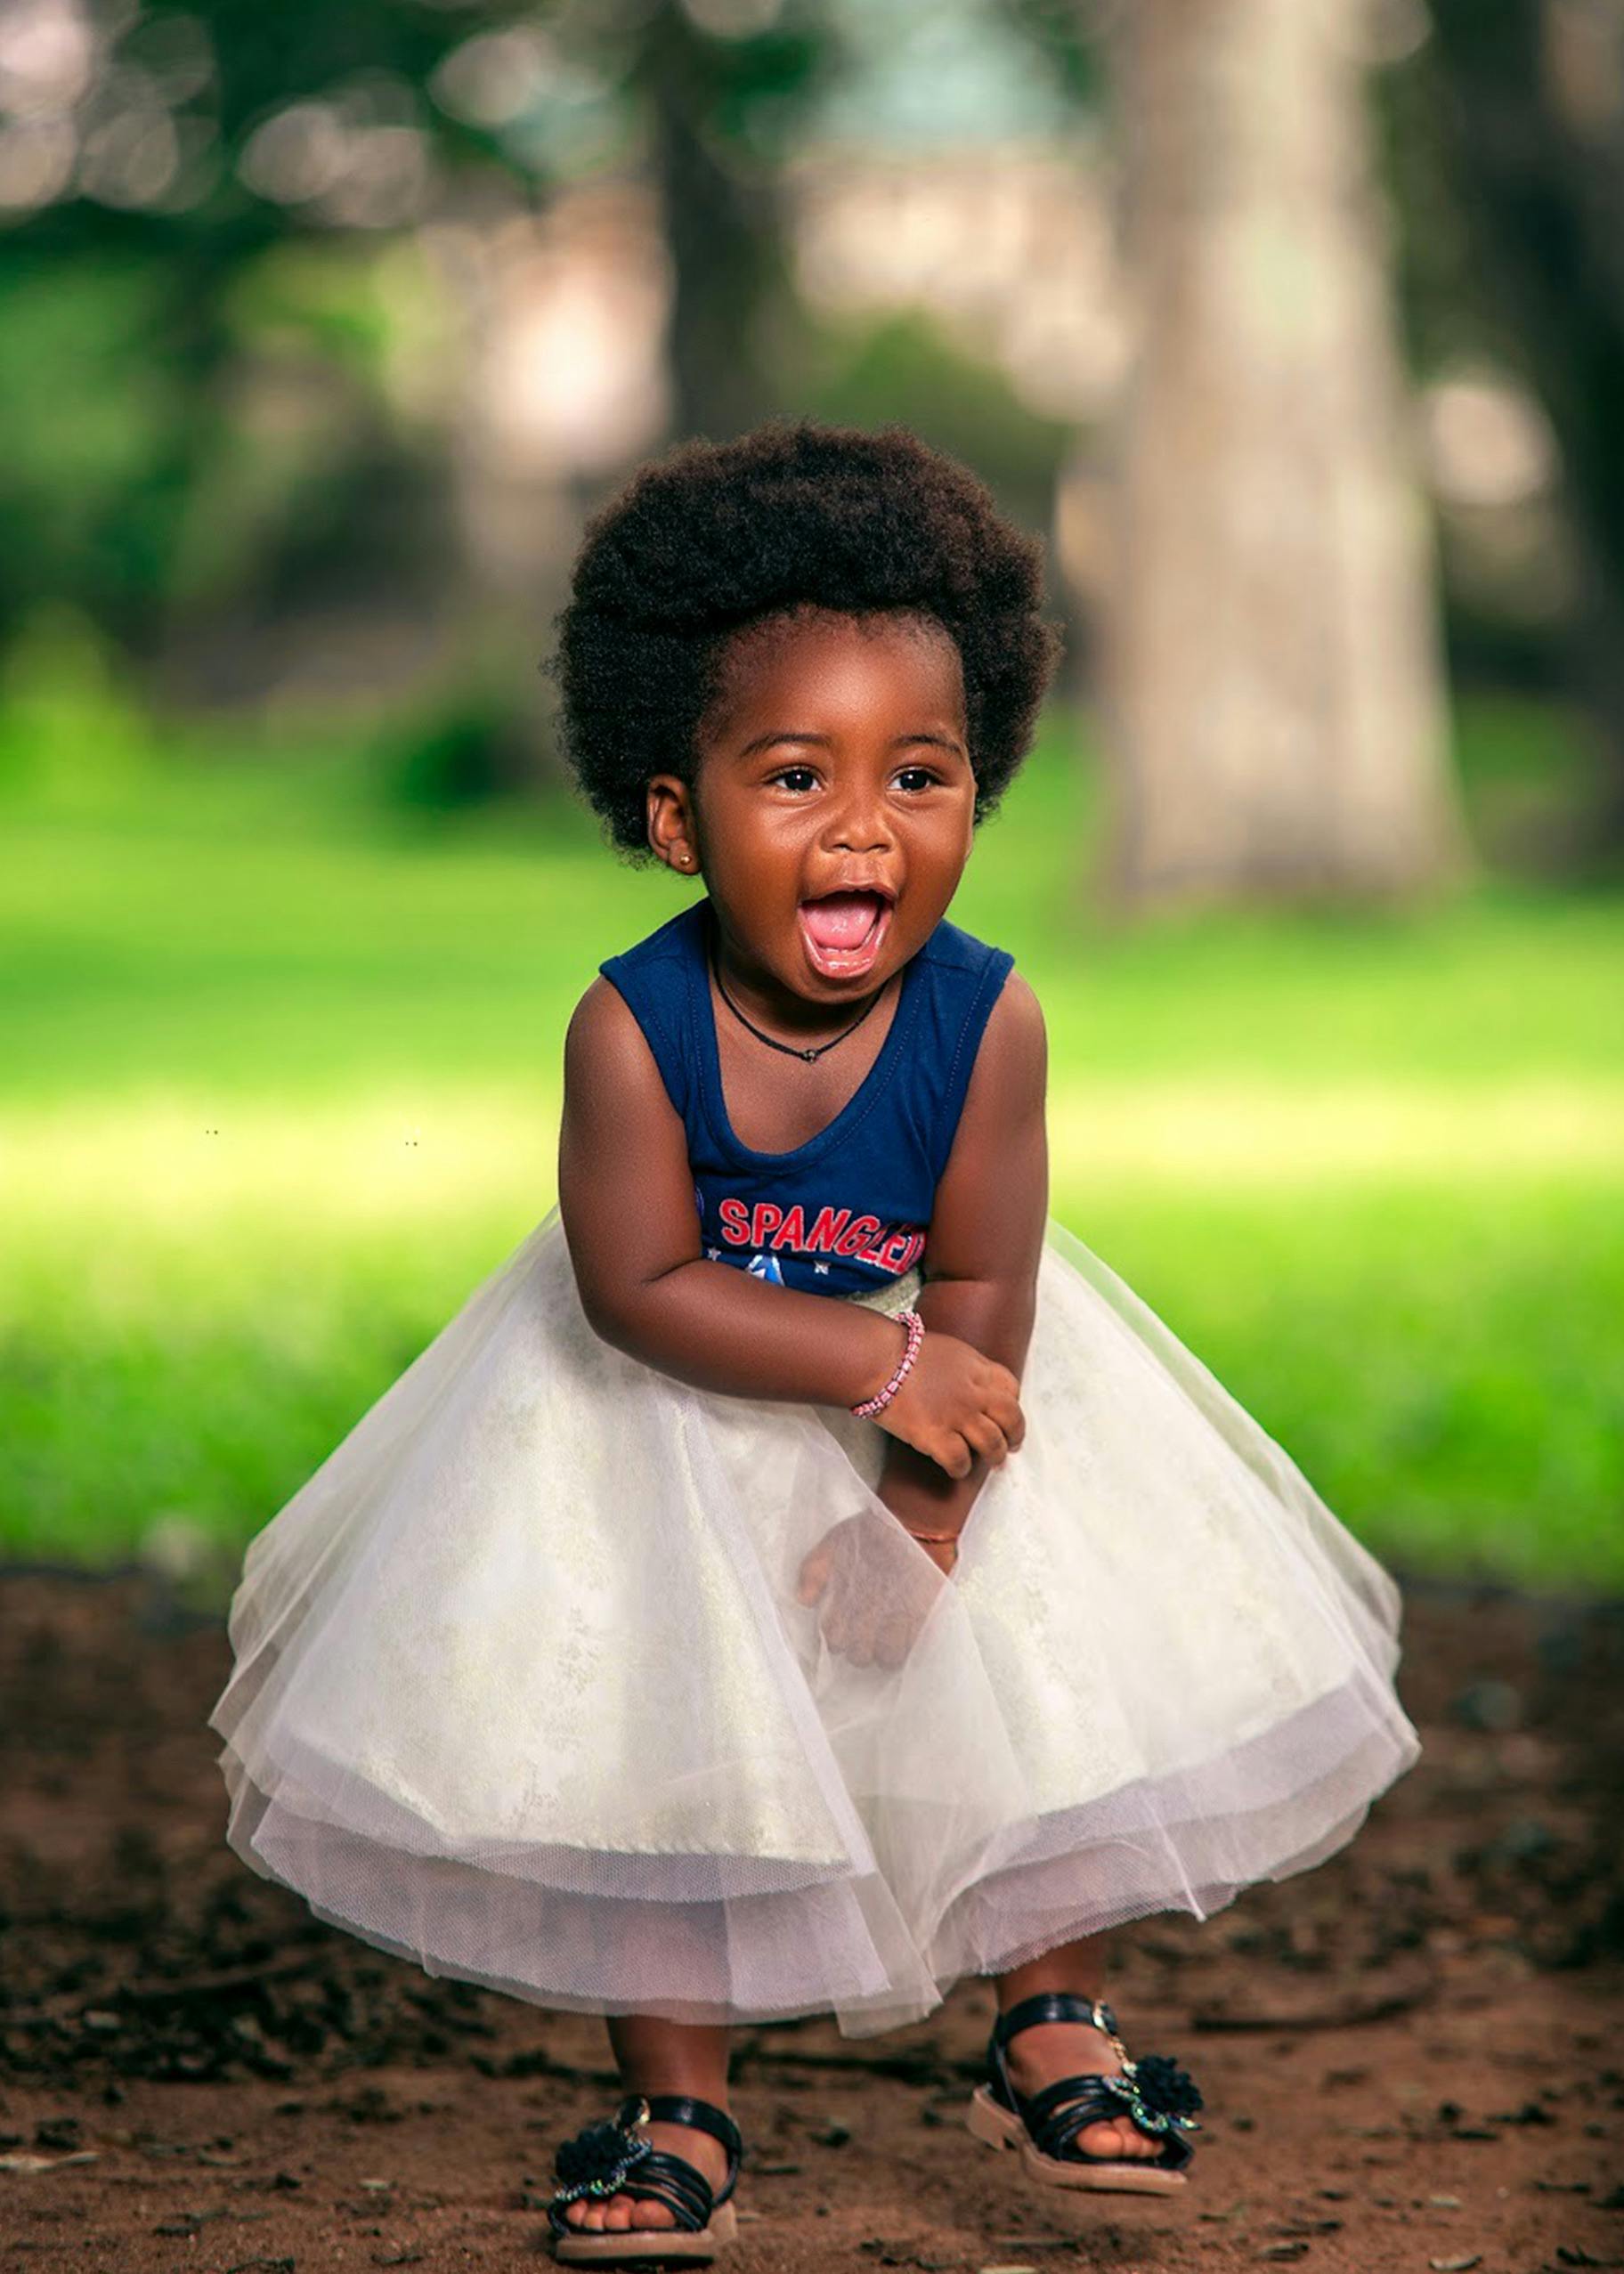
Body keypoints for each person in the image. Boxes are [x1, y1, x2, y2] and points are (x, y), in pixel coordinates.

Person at [208, 421, 1421, 2267]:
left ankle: (1051, 2006)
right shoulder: (630, 1026)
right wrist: (869, 1374)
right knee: (659, 1733)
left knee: (1046, 1671)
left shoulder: (991, 1019)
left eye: (918, 772)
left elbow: (992, 1279)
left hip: (953, 1392)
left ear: (981, 790)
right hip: (654, 1412)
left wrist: (928, 1513)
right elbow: (636, 1283)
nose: (865, 822)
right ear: (678, 814)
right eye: (797, 774)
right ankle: (678, 2089)